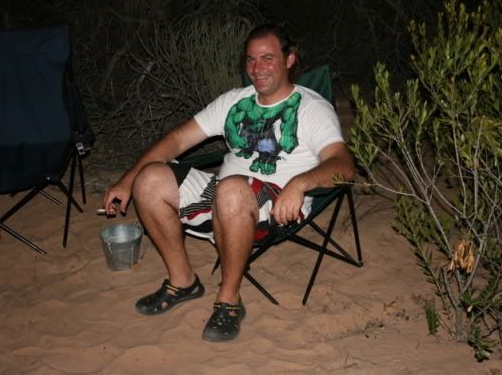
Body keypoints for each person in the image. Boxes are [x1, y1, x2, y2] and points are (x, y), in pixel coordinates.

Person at [102, 24, 355, 342]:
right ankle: (183, 281)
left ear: (289, 60)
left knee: (232, 190)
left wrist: (301, 184)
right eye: (251, 60)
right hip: (223, 192)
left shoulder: (311, 108)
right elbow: (177, 140)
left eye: (267, 58)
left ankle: (229, 300)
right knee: (149, 179)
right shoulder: (235, 101)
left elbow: (344, 165)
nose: (257, 69)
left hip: (275, 203)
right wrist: (127, 181)